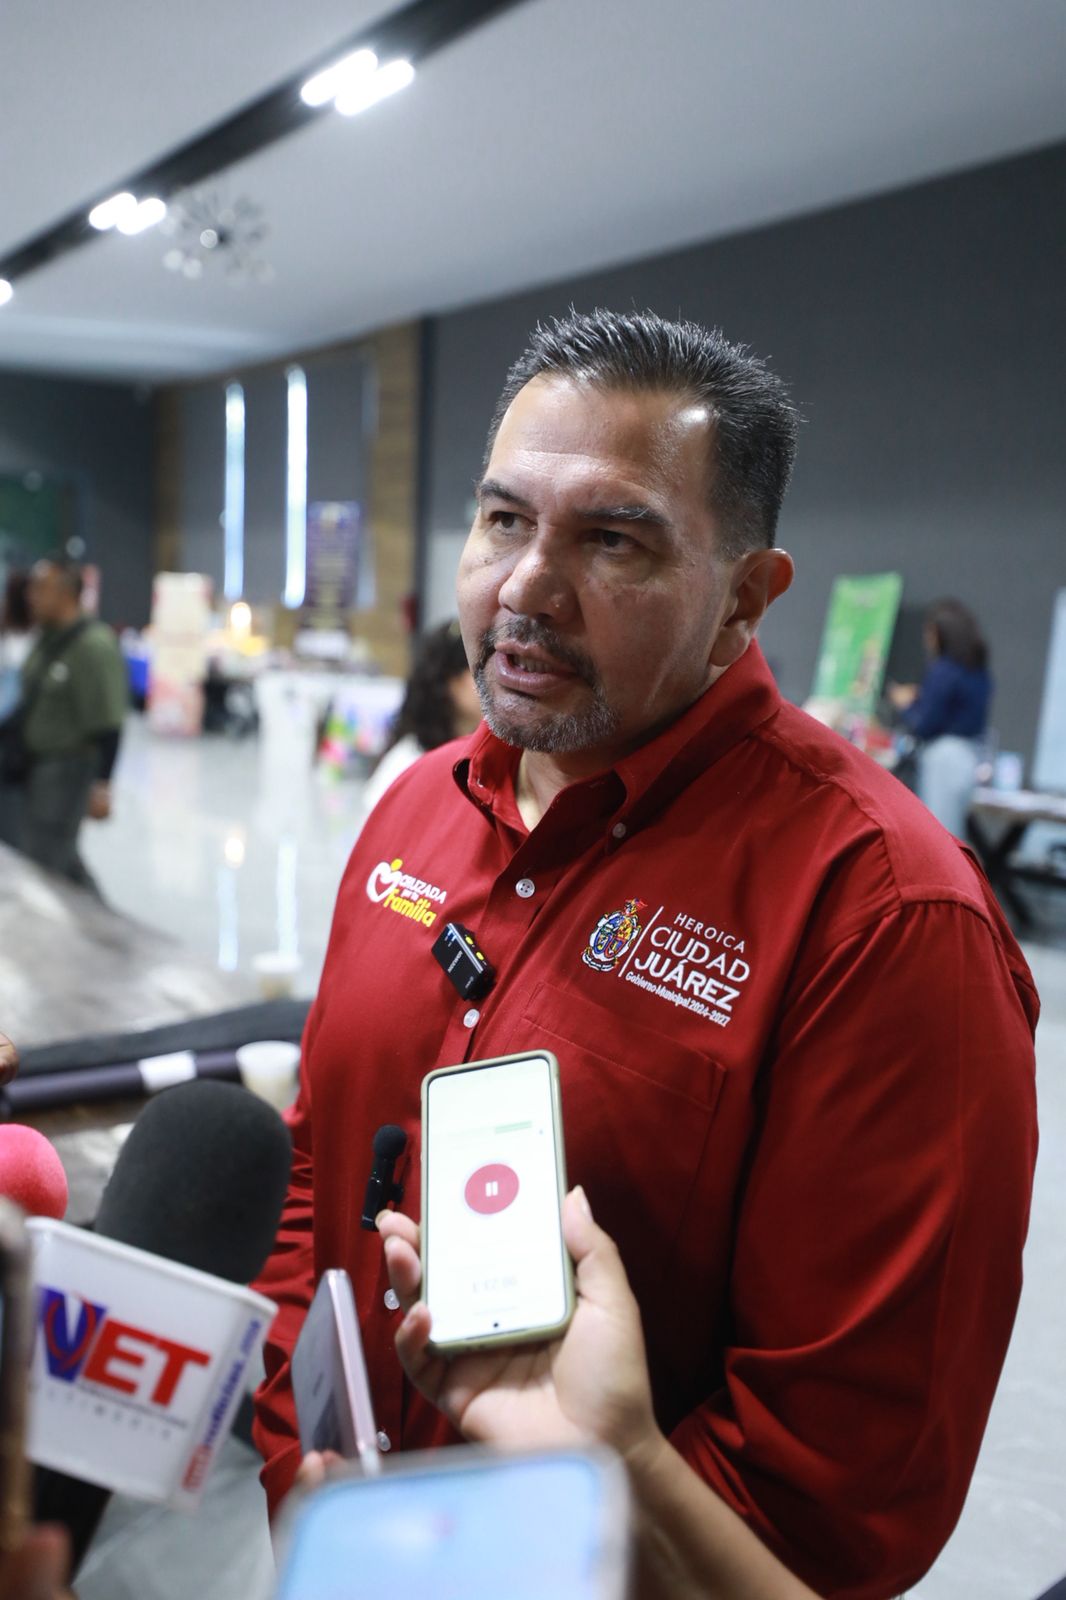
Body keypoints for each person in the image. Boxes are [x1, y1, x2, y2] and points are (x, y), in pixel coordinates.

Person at [254, 310, 1038, 1600]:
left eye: (611, 539)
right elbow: (317, 1170)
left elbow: (838, 1494)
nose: (524, 587)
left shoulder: (887, 919)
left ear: (744, 599)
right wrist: (300, 1471)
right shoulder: (416, 807)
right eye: (503, 520)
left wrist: (487, 1565)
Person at [5, 558, 128, 890]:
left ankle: (83, 919)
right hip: (36, 766)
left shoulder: (93, 645)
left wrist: (102, 785)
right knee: (56, 857)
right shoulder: (48, 639)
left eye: (40, 589)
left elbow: (110, 722)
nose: (31, 596)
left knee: (48, 863)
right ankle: (97, 918)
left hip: (68, 768)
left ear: (65, 594)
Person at [888, 598, 992, 837]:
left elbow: (925, 724)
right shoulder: (978, 670)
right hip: (970, 757)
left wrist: (906, 704)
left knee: (939, 836)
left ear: (939, 633)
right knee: (951, 834)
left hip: (944, 759)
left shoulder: (943, 670)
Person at [359, 620, 482, 817]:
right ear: (452, 682)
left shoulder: (480, 758)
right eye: (479, 672)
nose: (492, 683)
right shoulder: (407, 763)